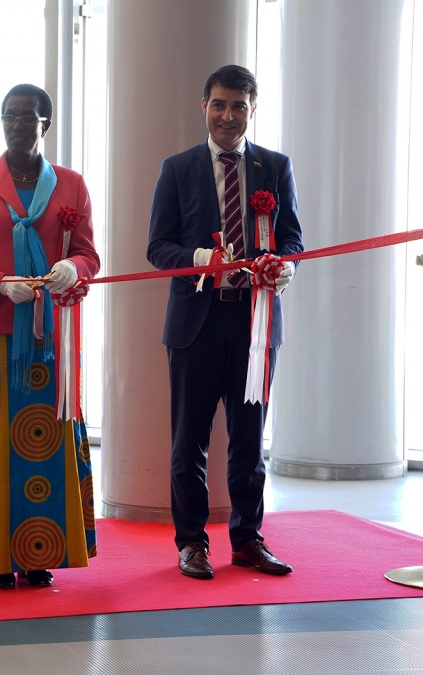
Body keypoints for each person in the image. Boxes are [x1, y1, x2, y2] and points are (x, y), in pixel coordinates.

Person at [0, 83, 100, 589]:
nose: (17, 124)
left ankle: (38, 553)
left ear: (45, 124)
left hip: (51, 335)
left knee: (45, 437)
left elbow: (89, 255)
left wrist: (74, 268)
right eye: (10, 115)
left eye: (28, 116)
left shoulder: (71, 184)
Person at [146, 65, 303, 580]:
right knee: (188, 441)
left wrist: (286, 268)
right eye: (219, 104)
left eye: (238, 106)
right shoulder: (177, 169)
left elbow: (292, 239)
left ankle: (247, 539)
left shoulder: (274, 167)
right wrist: (197, 258)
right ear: (204, 106)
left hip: (255, 325)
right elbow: (157, 247)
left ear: (252, 109)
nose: (227, 115)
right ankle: (192, 543)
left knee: (249, 441)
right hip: (196, 324)